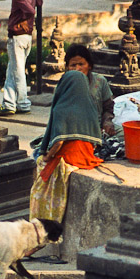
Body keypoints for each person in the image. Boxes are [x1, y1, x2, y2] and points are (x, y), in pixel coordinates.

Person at [29, 70, 103, 223]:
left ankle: (41, 222)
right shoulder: (91, 106)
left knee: (38, 171)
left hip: (69, 157)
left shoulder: (61, 108)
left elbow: (58, 143)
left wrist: (48, 156)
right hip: (87, 156)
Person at [0, 0, 43, 116]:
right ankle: (9, 103)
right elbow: (38, 2)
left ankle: (23, 103)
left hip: (17, 35)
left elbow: (31, 9)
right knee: (12, 69)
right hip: (26, 36)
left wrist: (23, 19)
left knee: (17, 71)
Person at [65, 43, 116, 136]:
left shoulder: (100, 81)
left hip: (99, 128)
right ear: (67, 67)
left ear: (89, 65)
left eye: (81, 64)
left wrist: (107, 122)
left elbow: (108, 107)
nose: (77, 69)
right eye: (73, 65)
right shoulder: (63, 86)